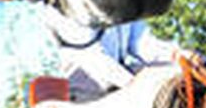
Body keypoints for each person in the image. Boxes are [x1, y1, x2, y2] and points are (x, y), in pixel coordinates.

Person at [40, 7, 179, 102]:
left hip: (122, 82)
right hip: (87, 87)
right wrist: (134, 84)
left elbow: (142, 44)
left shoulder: (125, 2)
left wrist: (177, 56)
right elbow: (90, 56)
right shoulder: (73, 3)